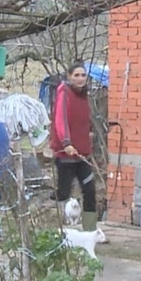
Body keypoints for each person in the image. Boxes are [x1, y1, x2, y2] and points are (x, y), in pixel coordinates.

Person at [50, 61, 98, 231]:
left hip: (83, 154)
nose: (80, 78)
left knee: (90, 191)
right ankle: (58, 230)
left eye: (83, 75)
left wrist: (89, 134)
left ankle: (91, 231)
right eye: (76, 75)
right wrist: (66, 143)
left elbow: (83, 122)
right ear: (69, 76)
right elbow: (60, 120)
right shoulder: (64, 93)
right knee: (63, 194)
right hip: (66, 154)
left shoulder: (84, 95)